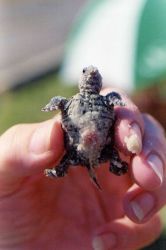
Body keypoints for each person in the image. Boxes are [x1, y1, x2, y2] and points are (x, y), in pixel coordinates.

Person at [0, 88, 165, 250]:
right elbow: (60, 102)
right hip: (78, 148)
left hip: (98, 149)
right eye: (87, 73)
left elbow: (115, 101)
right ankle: (62, 170)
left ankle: (117, 166)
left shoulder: (107, 98)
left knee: (112, 156)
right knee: (66, 162)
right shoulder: (78, 101)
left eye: (95, 74)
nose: (91, 75)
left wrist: (122, 107)